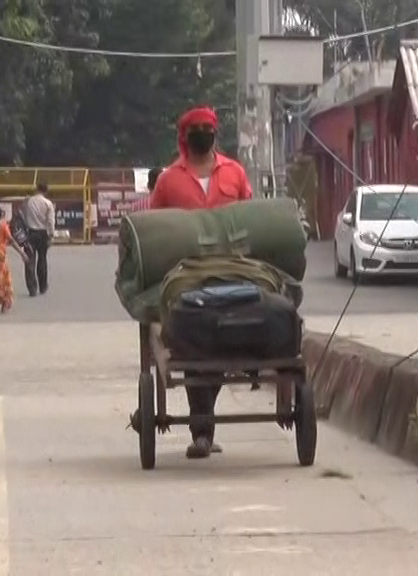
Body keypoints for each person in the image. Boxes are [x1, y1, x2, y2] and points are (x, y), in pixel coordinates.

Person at [149, 106, 253, 459]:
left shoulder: (235, 174)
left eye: (206, 128)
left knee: (223, 351)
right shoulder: (168, 180)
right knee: (194, 346)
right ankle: (202, 432)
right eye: (195, 129)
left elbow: (251, 218)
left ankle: (204, 423)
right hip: (187, 278)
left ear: (214, 133)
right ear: (185, 136)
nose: (201, 133)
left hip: (232, 273)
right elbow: (155, 228)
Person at [22, 182, 54, 295]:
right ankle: (43, 286)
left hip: (30, 232)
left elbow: (24, 216)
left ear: (37, 189)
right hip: (42, 233)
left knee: (29, 260)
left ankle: (32, 288)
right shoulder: (48, 203)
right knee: (42, 259)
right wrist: (51, 235)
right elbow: (50, 221)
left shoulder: (28, 202)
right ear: (45, 191)